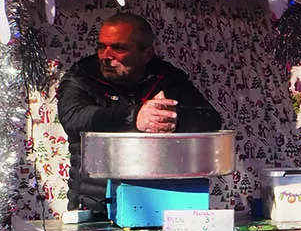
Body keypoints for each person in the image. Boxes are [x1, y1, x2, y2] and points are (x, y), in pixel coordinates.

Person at [57, 12, 222, 217]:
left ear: (146, 53)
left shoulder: (166, 77)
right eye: (101, 47)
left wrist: (172, 120)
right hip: (95, 205)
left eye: (118, 48)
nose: (106, 56)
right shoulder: (81, 77)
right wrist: (135, 117)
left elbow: (210, 118)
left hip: (165, 200)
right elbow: (74, 118)